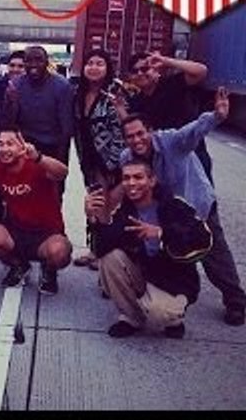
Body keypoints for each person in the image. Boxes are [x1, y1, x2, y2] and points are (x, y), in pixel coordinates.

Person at [117, 88, 246, 326]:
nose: (136, 140)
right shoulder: (127, 157)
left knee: (214, 255)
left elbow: (194, 130)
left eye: (140, 134)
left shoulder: (172, 142)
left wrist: (216, 116)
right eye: (130, 137)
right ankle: (169, 294)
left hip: (196, 205)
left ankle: (235, 300)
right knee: (163, 250)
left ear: (151, 131)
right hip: (164, 213)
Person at [89, 159, 211, 339]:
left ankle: (174, 319)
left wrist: (162, 233)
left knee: (158, 313)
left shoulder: (174, 205)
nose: (131, 183)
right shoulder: (126, 210)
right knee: (109, 258)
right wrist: (95, 217)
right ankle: (131, 318)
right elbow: (101, 248)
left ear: (152, 180)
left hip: (175, 281)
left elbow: (204, 239)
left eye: (138, 177)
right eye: (126, 178)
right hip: (146, 274)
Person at [0, 127, 72, 294]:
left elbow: (62, 173)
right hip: (15, 231)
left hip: (46, 234)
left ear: (22, 146)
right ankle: (19, 266)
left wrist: (39, 158)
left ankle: (49, 270)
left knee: (60, 252)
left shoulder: (37, 165)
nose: (4, 149)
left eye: (10, 144)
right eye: (0, 144)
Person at [71, 49, 127, 270]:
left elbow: (123, 130)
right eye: (90, 63)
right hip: (89, 159)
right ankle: (95, 250)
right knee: (94, 206)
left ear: (107, 68)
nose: (94, 67)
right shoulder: (78, 93)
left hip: (111, 161)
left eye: (99, 63)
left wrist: (113, 165)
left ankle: (105, 256)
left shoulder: (115, 93)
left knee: (107, 208)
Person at [125, 50, 213, 183]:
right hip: (163, 160)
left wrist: (166, 61)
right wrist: (119, 107)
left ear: (156, 70)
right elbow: (132, 129)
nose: (140, 74)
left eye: (145, 69)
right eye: (135, 71)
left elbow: (201, 71)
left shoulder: (173, 84)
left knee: (200, 200)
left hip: (191, 155)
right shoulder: (136, 101)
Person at [2, 45, 74, 200]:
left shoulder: (61, 86)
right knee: (23, 194)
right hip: (25, 147)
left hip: (53, 147)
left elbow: (66, 129)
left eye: (38, 60)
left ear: (47, 62)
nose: (33, 65)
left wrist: (60, 163)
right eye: (29, 61)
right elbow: (8, 124)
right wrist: (11, 103)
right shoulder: (16, 85)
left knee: (51, 196)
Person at [0, 50, 25, 224]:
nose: (16, 69)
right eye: (12, 65)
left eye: (20, 66)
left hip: (21, 145)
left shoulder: (30, 87)